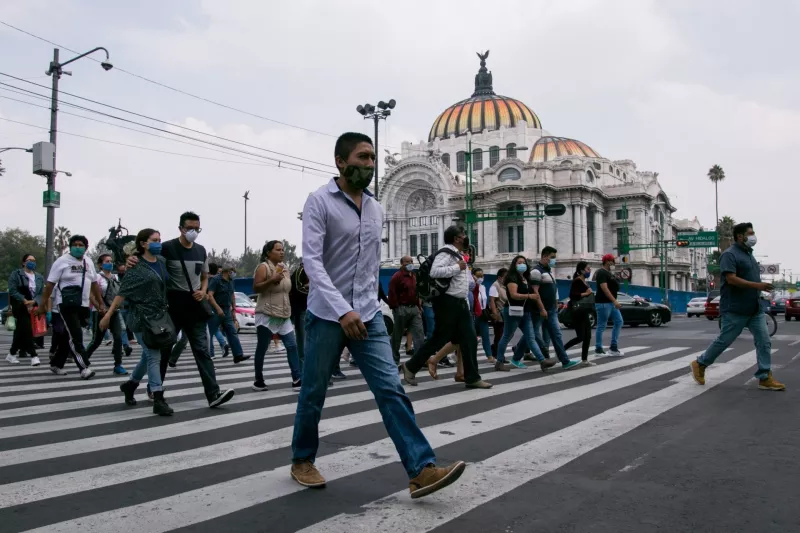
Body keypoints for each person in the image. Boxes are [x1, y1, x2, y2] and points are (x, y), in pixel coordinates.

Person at [291, 132, 466, 498]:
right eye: (363, 157)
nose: (370, 165)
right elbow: (312, 263)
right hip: (327, 315)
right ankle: (302, 459)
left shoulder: (375, 208)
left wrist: (370, 305)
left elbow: (369, 265)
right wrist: (343, 311)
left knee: (392, 390)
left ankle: (421, 469)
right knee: (313, 393)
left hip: (367, 315)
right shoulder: (319, 202)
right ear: (341, 161)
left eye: (373, 158)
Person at [127, 212, 235, 408]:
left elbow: (204, 277)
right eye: (189, 228)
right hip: (171, 307)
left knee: (202, 351)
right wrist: (132, 259)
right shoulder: (167, 248)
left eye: (197, 228)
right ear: (181, 229)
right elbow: (147, 259)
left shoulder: (201, 251)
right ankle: (152, 388)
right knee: (164, 350)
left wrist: (203, 291)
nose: (193, 232)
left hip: (195, 307)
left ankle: (213, 394)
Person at [690, 222, 784, 391]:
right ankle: (700, 363)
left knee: (764, 341)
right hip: (735, 309)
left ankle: (764, 376)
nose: (753, 236)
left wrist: (760, 289)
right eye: (750, 233)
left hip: (754, 309)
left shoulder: (750, 255)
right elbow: (731, 279)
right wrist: (757, 286)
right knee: (724, 341)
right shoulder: (729, 255)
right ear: (740, 236)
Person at [402, 225, 492, 389]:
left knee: (470, 339)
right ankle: (411, 366)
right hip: (447, 302)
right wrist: (457, 267)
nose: (465, 237)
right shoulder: (446, 252)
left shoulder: (457, 254)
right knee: (439, 338)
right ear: (457, 238)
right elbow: (435, 272)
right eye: (463, 234)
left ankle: (472, 378)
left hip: (460, 303)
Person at [101, 229, 174, 415]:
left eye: (160, 239)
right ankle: (158, 397)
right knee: (153, 356)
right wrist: (108, 315)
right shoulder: (136, 266)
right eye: (154, 240)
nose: (159, 243)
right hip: (141, 318)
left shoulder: (162, 262)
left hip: (159, 317)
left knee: (147, 356)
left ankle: (131, 385)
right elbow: (122, 293)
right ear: (143, 243)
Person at [37, 235, 105, 379]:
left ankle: (56, 363)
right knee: (76, 336)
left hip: (83, 305)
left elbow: (93, 284)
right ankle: (84, 367)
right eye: (75, 244)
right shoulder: (61, 262)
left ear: (86, 248)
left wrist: (100, 303)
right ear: (70, 246)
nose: (78, 247)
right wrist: (42, 305)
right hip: (66, 304)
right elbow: (49, 284)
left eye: (81, 245)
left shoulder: (88, 262)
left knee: (67, 336)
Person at [494, 255, 559, 372]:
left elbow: (535, 294)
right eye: (519, 262)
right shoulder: (512, 278)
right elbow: (514, 295)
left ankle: (542, 361)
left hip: (526, 312)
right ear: (514, 264)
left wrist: (541, 307)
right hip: (512, 311)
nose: (522, 264)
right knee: (507, 336)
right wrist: (529, 296)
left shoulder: (526, 278)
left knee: (531, 337)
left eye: (523, 262)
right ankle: (499, 361)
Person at [252, 240, 302, 391]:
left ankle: (297, 379)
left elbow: (287, 289)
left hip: (284, 314)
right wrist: (271, 280)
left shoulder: (285, 268)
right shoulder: (263, 267)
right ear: (268, 252)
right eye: (278, 250)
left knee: (292, 346)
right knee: (262, 347)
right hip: (267, 313)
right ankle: (258, 380)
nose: (282, 252)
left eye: (283, 249)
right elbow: (256, 288)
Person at [529, 247, 579, 369]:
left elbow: (553, 290)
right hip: (539, 310)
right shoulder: (536, 271)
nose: (554, 260)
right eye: (552, 257)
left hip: (551, 309)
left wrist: (555, 304)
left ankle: (565, 361)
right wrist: (541, 309)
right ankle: (543, 352)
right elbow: (535, 292)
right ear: (544, 256)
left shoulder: (549, 271)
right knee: (532, 333)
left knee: (556, 335)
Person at [85, 254, 128, 375]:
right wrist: (100, 307)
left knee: (118, 337)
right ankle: (84, 359)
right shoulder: (97, 278)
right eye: (107, 261)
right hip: (100, 312)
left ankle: (118, 365)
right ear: (100, 264)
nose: (110, 263)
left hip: (114, 312)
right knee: (97, 340)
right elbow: (91, 295)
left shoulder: (115, 277)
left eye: (111, 261)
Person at [6, 254, 45, 366]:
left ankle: (11, 353)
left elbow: (41, 292)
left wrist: (33, 302)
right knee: (27, 328)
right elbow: (12, 290)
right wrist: (24, 301)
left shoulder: (39, 277)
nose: (32, 262)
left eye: (34, 260)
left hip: (33, 305)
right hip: (20, 305)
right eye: (29, 260)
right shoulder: (16, 274)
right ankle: (34, 355)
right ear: (23, 262)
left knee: (20, 330)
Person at [387, 256, 425, 366]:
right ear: (402, 263)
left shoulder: (413, 276)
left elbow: (416, 292)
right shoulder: (397, 276)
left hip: (414, 308)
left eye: (411, 261)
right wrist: (395, 307)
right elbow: (392, 293)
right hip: (401, 309)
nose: (410, 263)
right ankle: (394, 359)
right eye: (407, 262)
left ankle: (419, 360)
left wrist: (419, 306)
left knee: (419, 334)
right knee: (397, 336)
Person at [208, 264, 248, 363]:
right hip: (216, 310)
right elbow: (210, 295)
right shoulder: (216, 280)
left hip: (226, 310)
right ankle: (209, 356)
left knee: (232, 332)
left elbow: (232, 295)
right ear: (228, 271)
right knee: (209, 334)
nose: (234, 274)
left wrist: (234, 309)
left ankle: (238, 355)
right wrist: (218, 309)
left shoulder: (230, 281)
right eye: (233, 271)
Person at [564, 261, 594, 366]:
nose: (589, 271)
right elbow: (573, 295)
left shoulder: (585, 281)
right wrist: (586, 293)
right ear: (581, 270)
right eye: (587, 269)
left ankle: (585, 359)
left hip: (584, 311)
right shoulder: (577, 281)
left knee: (588, 336)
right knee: (581, 337)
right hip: (577, 311)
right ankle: (562, 350)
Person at [594, 253, 624, 356]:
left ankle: (613, 347)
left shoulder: (609, 273)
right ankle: (598, 349)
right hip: (603, 303)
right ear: (608, 261)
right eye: (613, 261)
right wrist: (614, 301)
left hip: (610, 303)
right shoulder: (601, 273)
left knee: (619, 321)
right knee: (601, 326)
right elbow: (604, 288)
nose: (614, 263)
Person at [471, 267, 494, 362]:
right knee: (471, 337)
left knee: (485, 336)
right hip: (473, 314)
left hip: (482, 314)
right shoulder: (470, 287)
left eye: (482, 276)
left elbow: (485, 301)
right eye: (478, 276)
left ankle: (489, 356)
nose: (480, 278)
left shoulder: (483, 287)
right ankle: (460, 354)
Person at [488, 267, 508, 363]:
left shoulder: (505, 286)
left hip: (506, 314)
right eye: (505, 277)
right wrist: (495, 314)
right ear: (500, 277)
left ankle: (496, 351)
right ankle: (497, 354)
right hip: (499, 315)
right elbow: (492, 301)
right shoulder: (495, 285)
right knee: (499, 336)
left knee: (503, 335)